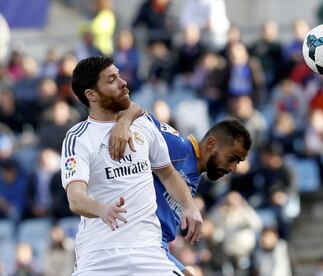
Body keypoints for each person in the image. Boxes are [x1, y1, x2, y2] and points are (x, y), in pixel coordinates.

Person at [61, 56, 202, 275]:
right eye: (111, 80)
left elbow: (167, 174)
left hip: (147, 252)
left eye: (119, 75)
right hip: (100, 254)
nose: (122, 82)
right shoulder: (79, 137)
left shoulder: (142, 125)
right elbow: (75, 198)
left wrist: (189, 205)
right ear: (91, 95)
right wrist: (102, 208)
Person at [109, 110, 251, 275]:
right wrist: (123, 124)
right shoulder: (178, 147)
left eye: (238, 162)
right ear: (211, 143)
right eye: (232, 158)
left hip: (155, 251)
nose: (234, 168)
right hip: (136, 246)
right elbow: (131, 109)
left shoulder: (195, 174)